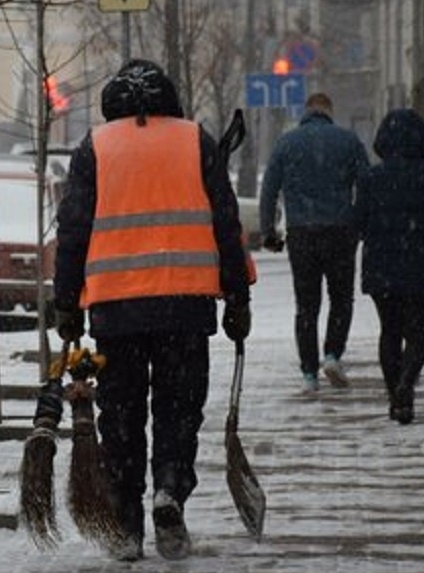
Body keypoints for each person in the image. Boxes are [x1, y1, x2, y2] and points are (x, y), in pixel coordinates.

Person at [54, 59, 253, 562]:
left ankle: (125, 523)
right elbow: (225, 222)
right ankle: (169, 487)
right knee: (178, 409)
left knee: (120, 416)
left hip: (115, 310)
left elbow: (73, 231)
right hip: (185, 308)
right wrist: (238, 295)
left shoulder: (95, 148)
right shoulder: (196, 141)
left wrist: (65, 304)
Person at [353, 108, 424, 424]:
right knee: (418, 334)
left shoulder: (371, 179)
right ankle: (406, 385)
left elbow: (357, 220)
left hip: (382, 267)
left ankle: (395, 395)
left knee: (389, 331)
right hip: (423, 266)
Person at [259, 92, 370, 392]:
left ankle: (309, 373)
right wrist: (360, 225)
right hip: (340, 232)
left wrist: (268, 230)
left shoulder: (287, 143)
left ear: (306, 111)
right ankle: (332, 354)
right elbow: (367, 185)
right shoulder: (348, 141)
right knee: (341, 299)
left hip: (302, 234)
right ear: (329, 111)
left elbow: (269, 189)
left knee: (306, 306)